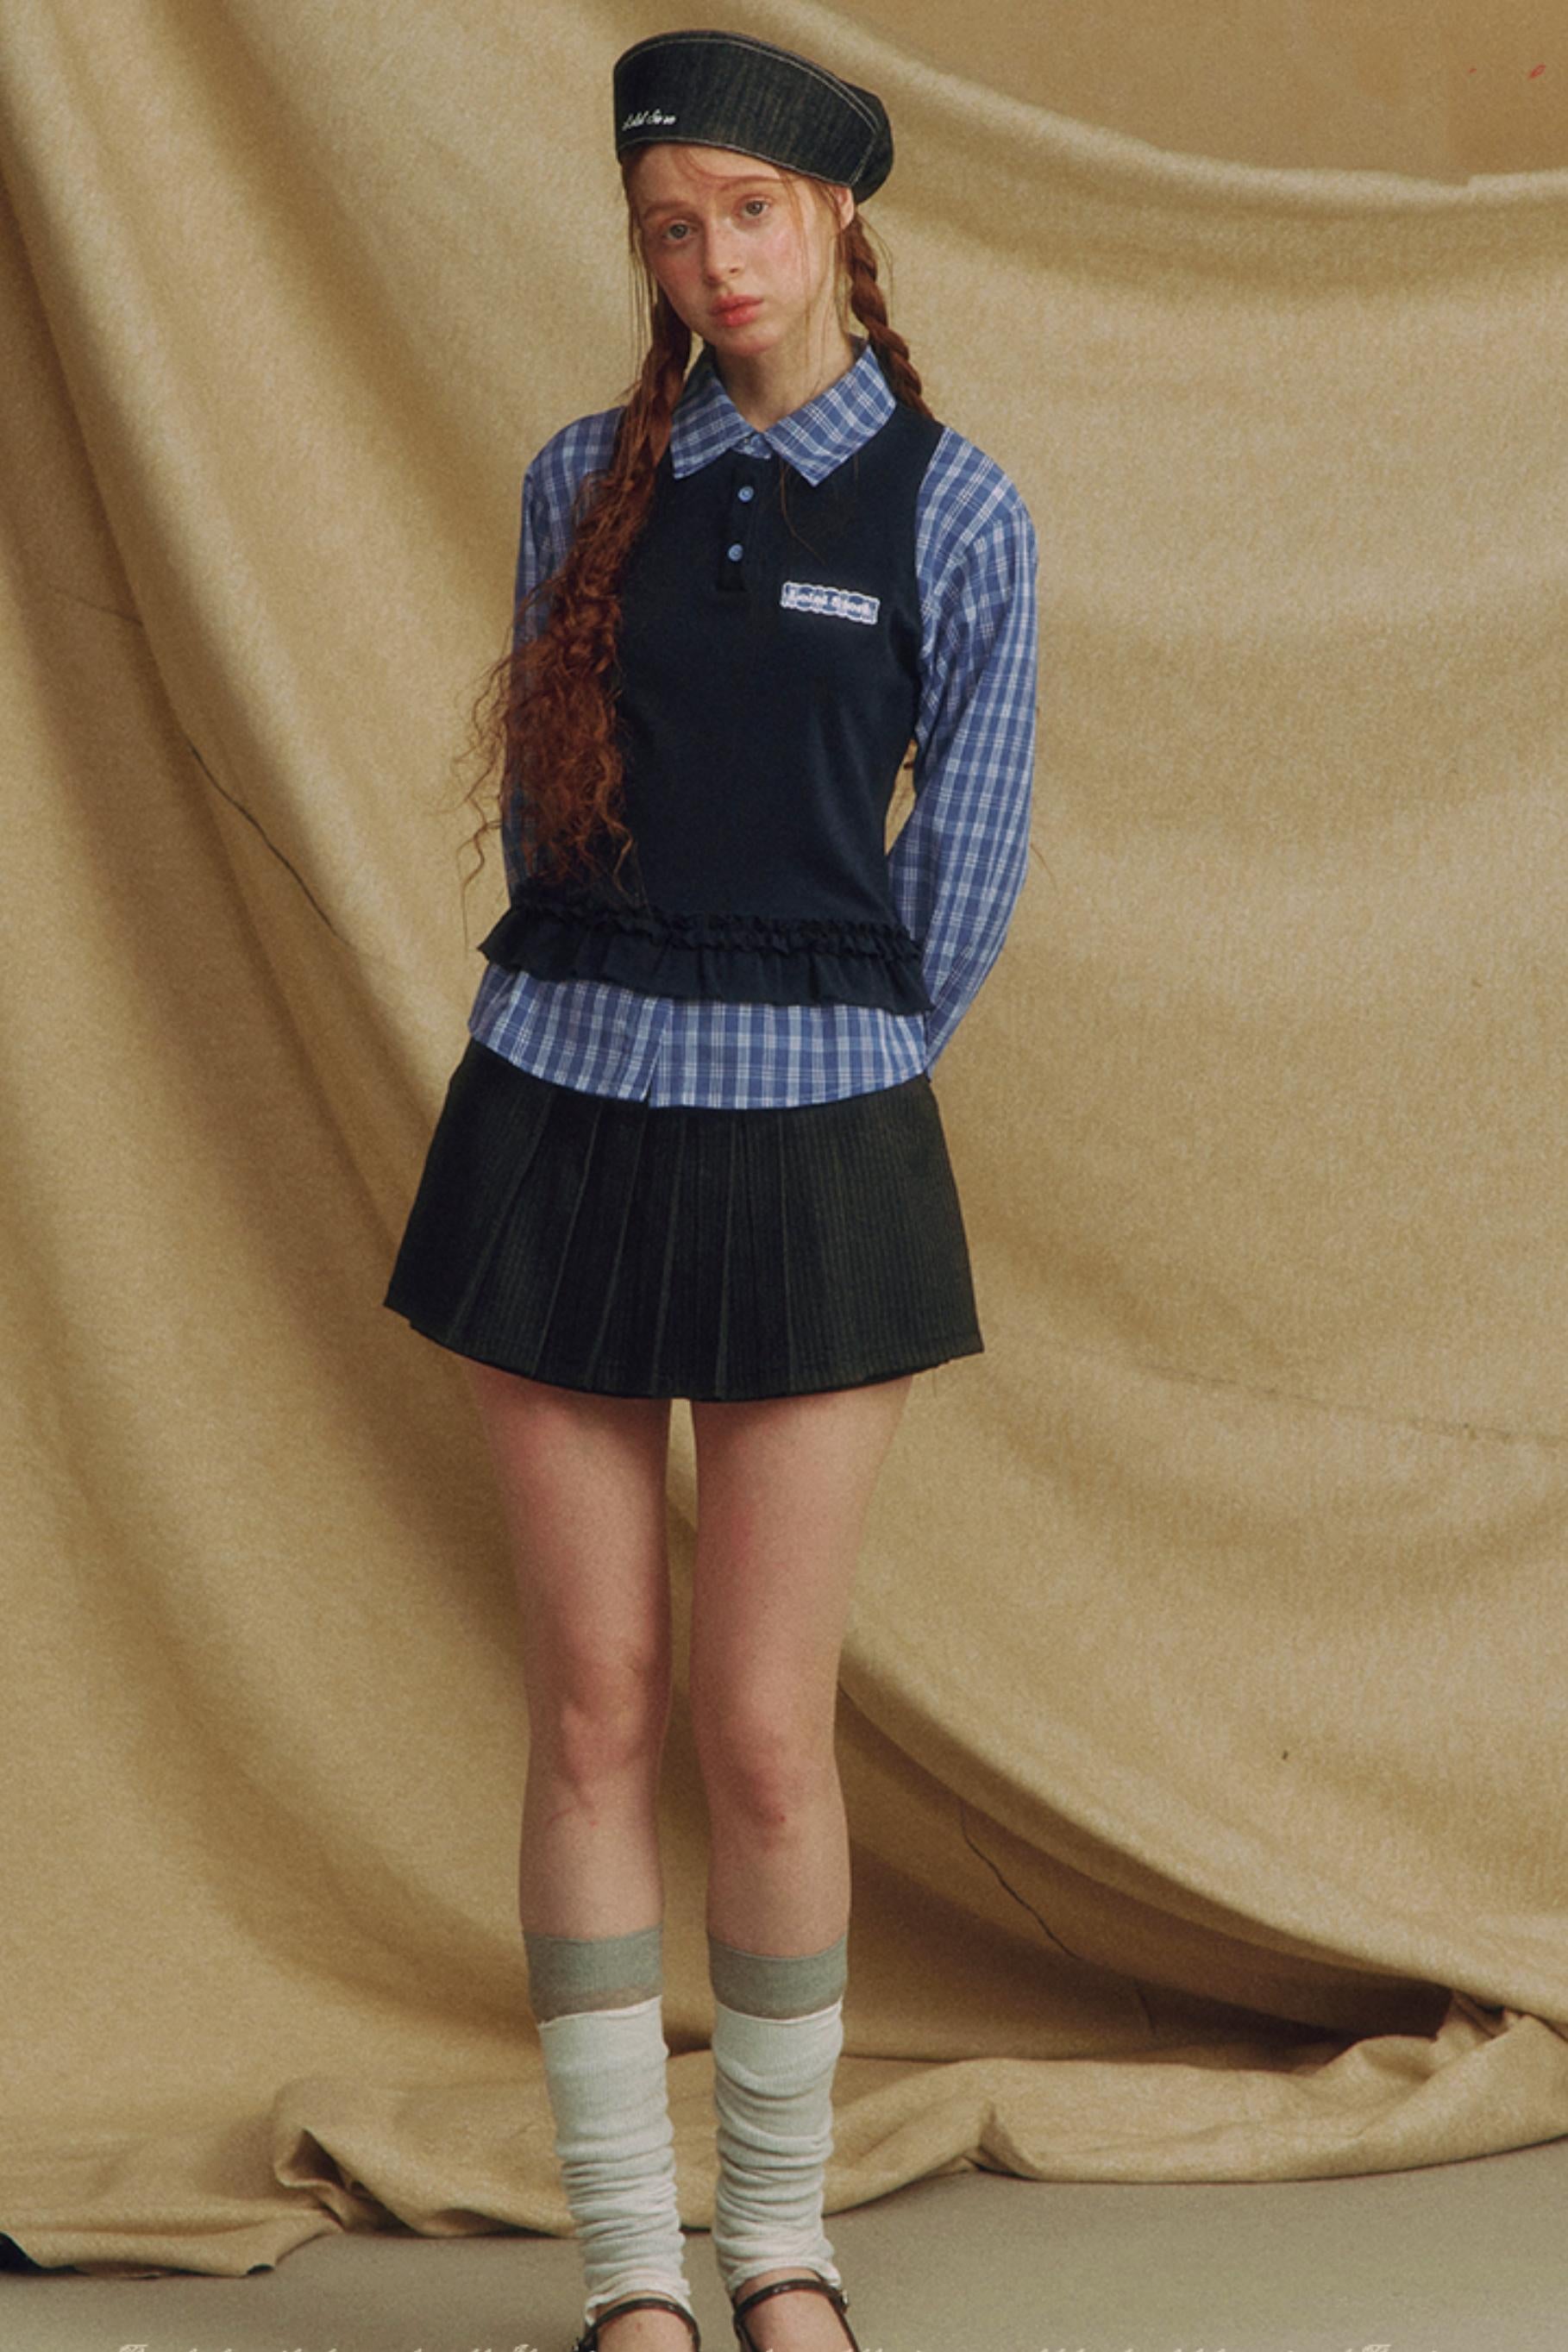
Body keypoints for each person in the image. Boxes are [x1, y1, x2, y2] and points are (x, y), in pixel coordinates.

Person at [384, 27, 1038, 2352]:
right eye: (671, 228)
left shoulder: (960, 515)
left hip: (816, 1136)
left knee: (762, 1731)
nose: (713, 261)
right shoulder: (584, 478)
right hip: (558, 1112)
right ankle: (630, 2277)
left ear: (837, 216)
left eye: (749, 213)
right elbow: (551, 801)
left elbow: (964, 879)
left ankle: (777, 2249)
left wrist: (822, 1065)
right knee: (592, 1707)